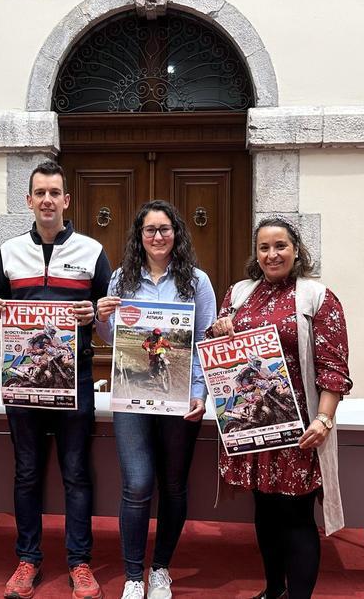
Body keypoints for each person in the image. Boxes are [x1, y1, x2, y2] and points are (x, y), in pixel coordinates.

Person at [0, 160, 111, 599]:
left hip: (73, 379)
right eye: (40, 193)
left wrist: (93, 312)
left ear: (66, 200)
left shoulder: (92, 251)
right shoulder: (10, 251)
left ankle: (79, 563)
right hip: (23, 382)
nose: (47, 200)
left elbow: (106, 311)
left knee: (76, 473)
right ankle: (28, 560)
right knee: (26, 473)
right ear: (29, 200)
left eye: (55, 192)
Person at [207, 216, 352, 599]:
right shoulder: (238, 294)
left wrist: (324, 418)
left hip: (298, 428)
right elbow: (220, 350)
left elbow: (334, 367)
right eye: (265, 247)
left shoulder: (318, 297)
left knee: (297, 516)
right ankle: (274, 590)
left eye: (281, 246)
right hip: (253, 425)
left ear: (296, 250)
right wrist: (220, 330)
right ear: (256, 254)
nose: (273, 254)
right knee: (267, 512)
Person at [94, 200, 216, 599]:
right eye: (150, 230)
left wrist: (199, 392)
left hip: (179, 398)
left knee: (174, 486)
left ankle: (160, 568)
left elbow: (204, 341)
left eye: (165, 229)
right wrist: (103, 316)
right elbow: (110, 340)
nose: (158, 236)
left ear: (176, 234)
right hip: (133, 396)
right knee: (137, 483)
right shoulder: (121, 279)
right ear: (139, 237)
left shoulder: (196, 282)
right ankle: (133, 575)